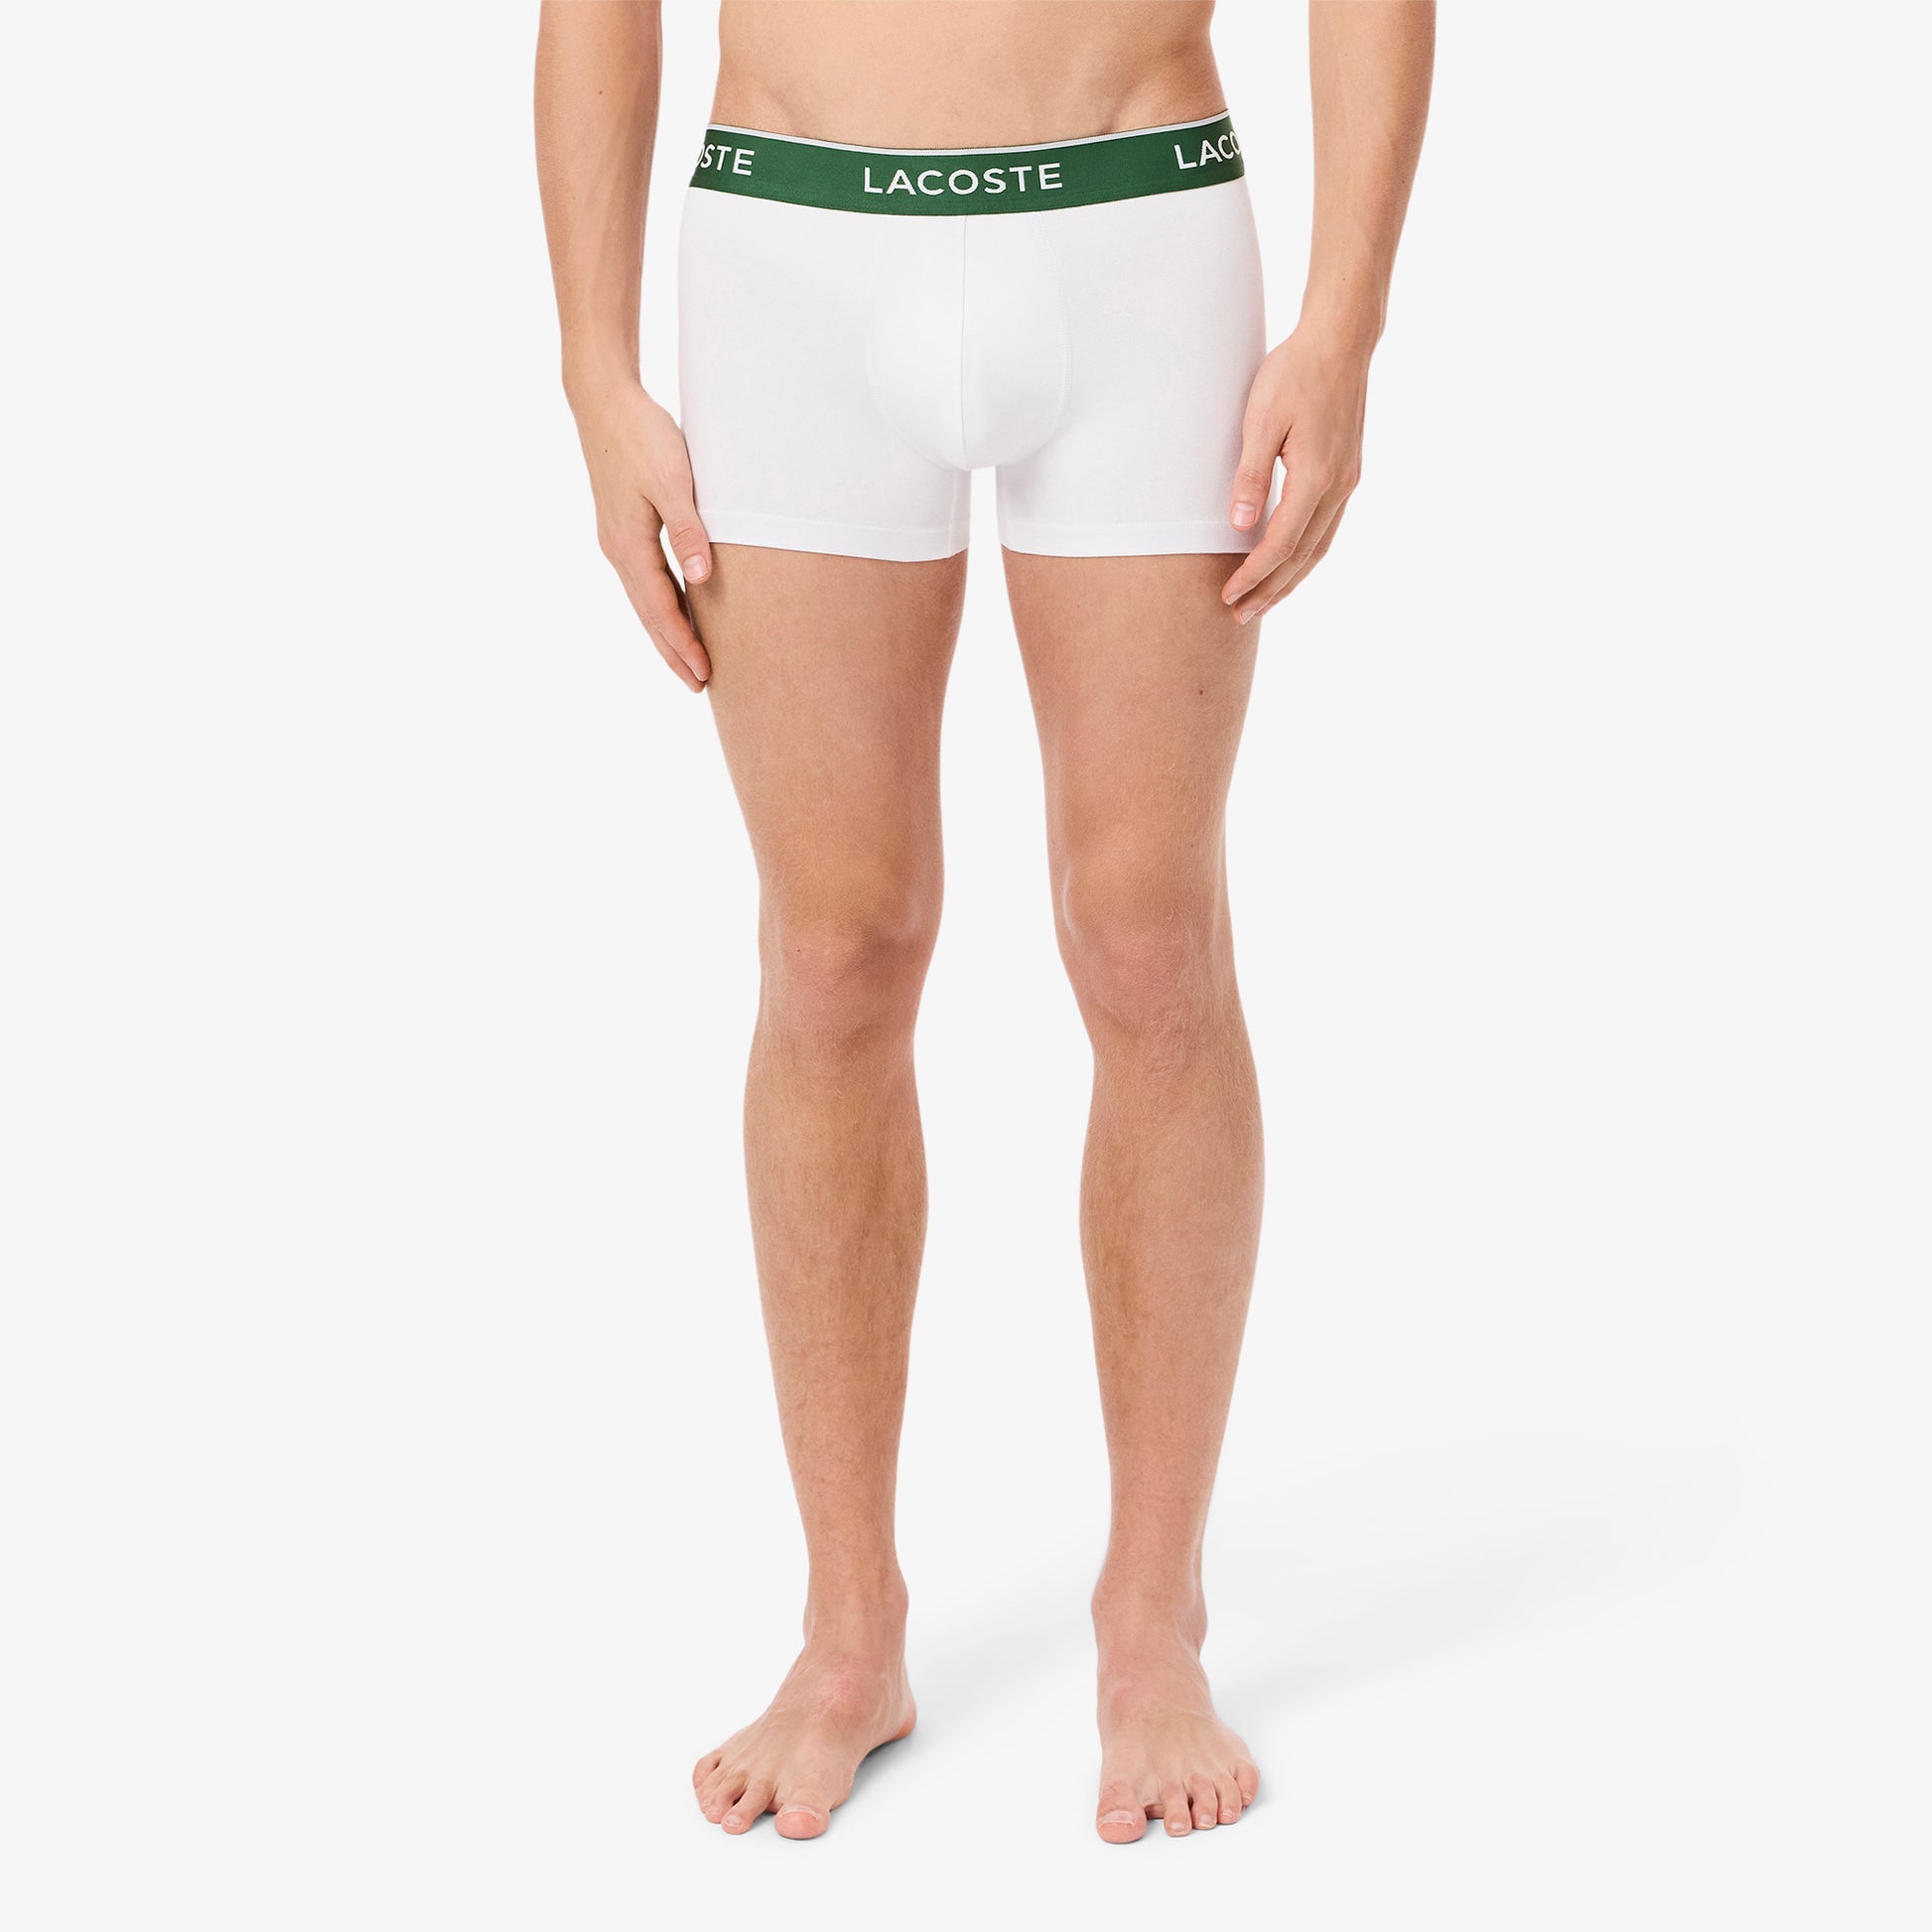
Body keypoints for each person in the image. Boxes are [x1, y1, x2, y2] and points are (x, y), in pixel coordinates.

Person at [535, 0, 1433, 1845]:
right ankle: (846, 1630)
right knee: (832, 952)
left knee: (1147, 939)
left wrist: (1343, 318)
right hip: (793, 246)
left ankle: (1151, 1618)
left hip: (1136, 225)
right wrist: (591, 370)